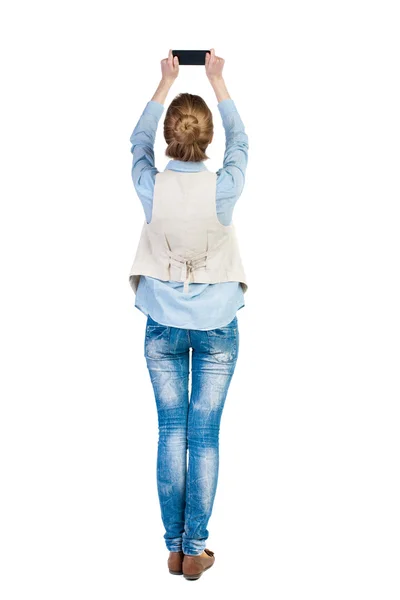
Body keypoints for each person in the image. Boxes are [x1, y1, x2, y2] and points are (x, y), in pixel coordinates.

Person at [128, 48, 249, 580]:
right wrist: (218, 80)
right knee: (203, 434)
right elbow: (242, 142)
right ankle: (195, 546)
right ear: (206, 141)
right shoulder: (224, 187)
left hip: (162, 322)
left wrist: (164, 83)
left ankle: (174, 548)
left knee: (169, 430)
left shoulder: (151, 186)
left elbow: (135, 143)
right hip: (218, 320)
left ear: (170, 138)